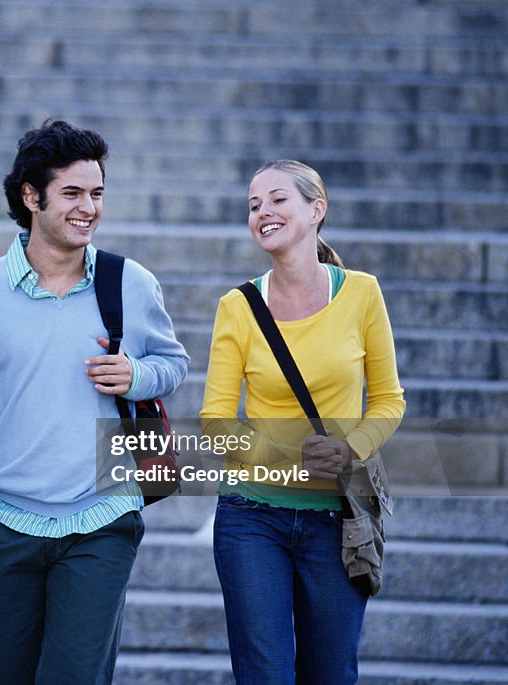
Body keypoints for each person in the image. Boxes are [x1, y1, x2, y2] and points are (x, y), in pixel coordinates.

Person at [0, 119, 190, 684]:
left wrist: (135, 374)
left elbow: (173, 365)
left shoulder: (130, 283)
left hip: (102, 517)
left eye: (96, 193)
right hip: (2, 520)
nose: (88, 208)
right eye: (72, 193)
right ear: (32, 196)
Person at [201, 160, 406, 684]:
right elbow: (216, 422)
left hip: (337, 520)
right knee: (264, 675)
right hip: (252, 516)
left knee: (331, 674)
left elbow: (388, 401)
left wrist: (351, 448)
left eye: (276, 200)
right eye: (253, 205)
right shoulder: (238, 306)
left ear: (317, 210)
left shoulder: (362, 293)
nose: (262, 212)